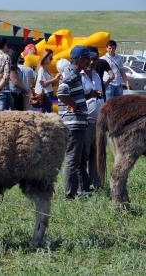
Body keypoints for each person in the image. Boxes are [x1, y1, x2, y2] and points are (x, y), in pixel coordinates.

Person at [57, 46, 93, 199]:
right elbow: (61, 93)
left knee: (77, 158)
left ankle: (79, 190)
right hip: (73, 123)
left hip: (75, 122)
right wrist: (75, 105)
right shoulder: (72, 75)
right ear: (79, 59)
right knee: (72, 159)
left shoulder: (73, 73)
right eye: (87, 59)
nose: (89, 61)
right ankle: (69, 194)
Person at [80, 47, 103, 191]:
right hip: (86, 120)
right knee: (84, 154)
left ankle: (97, 183)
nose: (92, 62)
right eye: (90, 59)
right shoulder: (79, 75)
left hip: (99, 121)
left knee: (97, 153)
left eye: (95, 59)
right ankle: (84, 184)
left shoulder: (96, 75)